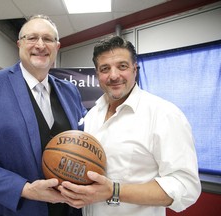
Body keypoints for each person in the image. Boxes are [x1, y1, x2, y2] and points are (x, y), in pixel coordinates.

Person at [0, 14, 87, 216]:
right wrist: (25, 189)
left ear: (57, 47)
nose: (40, 45)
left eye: (48, 39)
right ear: (19, 44)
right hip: (7, 209)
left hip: (66, 209)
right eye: (32, 38)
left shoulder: (70, 91)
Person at [58, 36, 201, 216]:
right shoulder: (93, 115)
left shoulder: (164, 114)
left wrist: (114, 191)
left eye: (122, 66)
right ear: (97, 75)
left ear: (135, 69)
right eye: (105, 69)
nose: (114, 75)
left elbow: (186, 186)